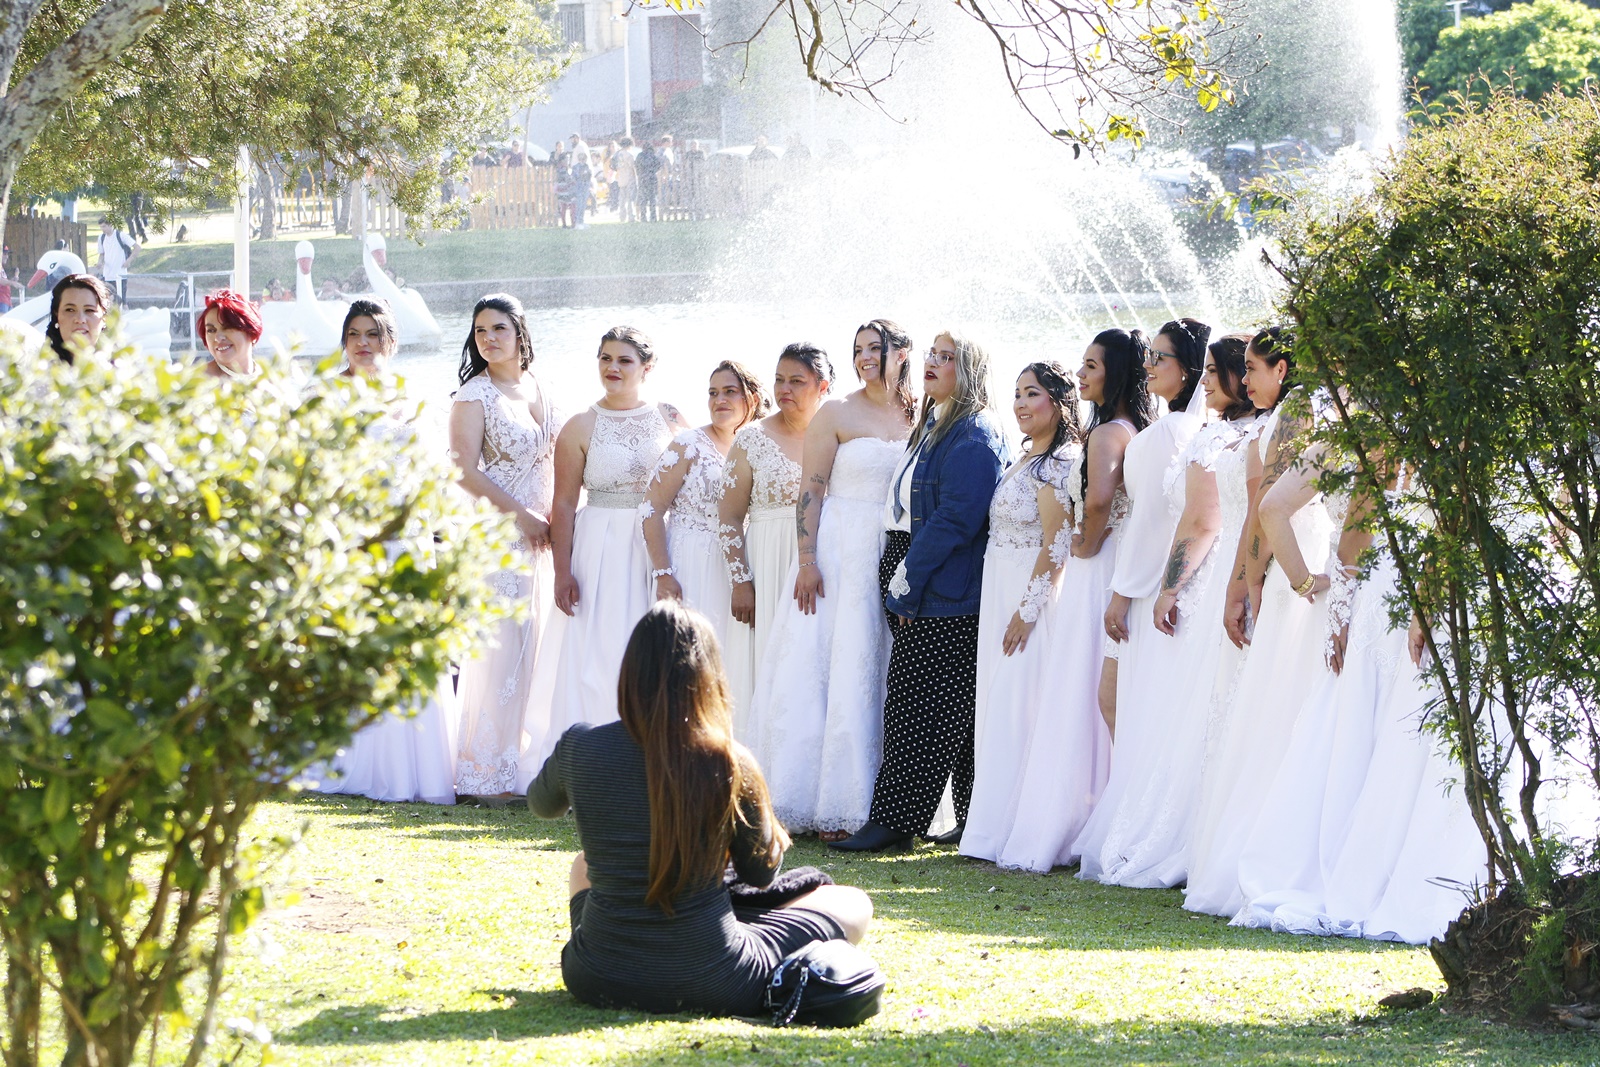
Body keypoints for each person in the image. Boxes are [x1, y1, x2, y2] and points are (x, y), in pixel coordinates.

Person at [527, 602, 872, 1016]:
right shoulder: (729, 760)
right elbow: (761, 874)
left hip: (594, 975)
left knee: (584, 863)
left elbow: (541, 805)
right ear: (708, 679)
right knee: (852, 903)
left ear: (630, 673)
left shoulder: (579, 745)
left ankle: (629, 952)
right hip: (717, 979)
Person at [1075, 329, 1259, 888]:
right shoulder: (1236, 434)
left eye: (1216, 370)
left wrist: (1164, 589)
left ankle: (1180, 828)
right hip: (1238, 572)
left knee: (1177, 709)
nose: (1208, 379)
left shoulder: (1200, 438)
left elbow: (1193, 523)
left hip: (1203, 579)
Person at [834, 330, 1009, 852]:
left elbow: (957, 519)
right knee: (946, 702)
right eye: (931, 355)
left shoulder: (973, 433)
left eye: (947, 357)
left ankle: (893, 823)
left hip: (942, 583)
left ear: (970, 370)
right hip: (921, 572)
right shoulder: (936, 422)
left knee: (916, 704)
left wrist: (907, 582)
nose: (932, 363)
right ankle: (967, 815)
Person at [1185, 327, 1336, 917]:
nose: (1244, 381)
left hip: (1299, 564)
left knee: (1284, 701)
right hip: (1292, 571)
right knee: (1280, 704)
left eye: (1252, 368)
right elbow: (1258, 509)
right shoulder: (1295, 413)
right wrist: (1250, 581)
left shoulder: (1297, 412)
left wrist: (1249, 580)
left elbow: (1265, 508)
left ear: (1283, 367)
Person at [986, 329, 1146, 871]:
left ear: (1116, 373)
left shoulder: (1102, 437)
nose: (1082, 374)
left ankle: (1068, 818)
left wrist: (1084, 541)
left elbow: (1098, 502)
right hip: (1110, 565)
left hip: (1096, 566)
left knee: (1078, 686)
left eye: (1092, 366)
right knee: (1093, 687)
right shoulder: (1127, 430)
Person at [749, 321, 914, 838]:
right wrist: (806, 559)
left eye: (875, 349)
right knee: (825, 667)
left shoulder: (921, 413)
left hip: (895, 550)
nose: (865, 358)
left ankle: (885, 800)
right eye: (859, 349)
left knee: (879, 668)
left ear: (902, 354)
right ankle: (820, 799)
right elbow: (811, 490)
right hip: (840, 551)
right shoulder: (837, 413)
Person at [523, 327, 690, 782]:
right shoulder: (581, 425)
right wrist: (562, 571)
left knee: (654, 645)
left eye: (624, 361)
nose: (612, 368)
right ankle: (593, 760)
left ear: (647, 368)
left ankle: (653, 756)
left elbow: (700, 472)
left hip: (658, 543)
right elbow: (562, 504)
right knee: (598, 648)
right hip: (600, 545)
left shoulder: (670, 416)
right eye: (605, 358)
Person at [314, 300, 459, 804]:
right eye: (354, 334)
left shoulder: (414, 398)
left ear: (391, 342)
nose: (363, 343)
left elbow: (436, 475)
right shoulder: (326, 397)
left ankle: (414, 769)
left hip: (410, 538)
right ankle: (354, 761)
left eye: (373, 334)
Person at [959, 362, 1080, 864]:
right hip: (1000, 587)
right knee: (1000, 703)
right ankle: (992, 826)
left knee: (1020, 703)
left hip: (1028, 599)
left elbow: (1057, 543)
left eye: (1032, 394)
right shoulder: (1026, 457)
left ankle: (1022, 825)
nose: (1021, 404)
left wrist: (1028, 610)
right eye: (1016, 395)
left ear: (1058, 401)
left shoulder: (1058, 463)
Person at [448, 294, 563, 797]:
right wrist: (523, 517)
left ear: (521, 332)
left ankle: (526, 761)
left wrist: (560, 519)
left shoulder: (542, 385)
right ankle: (484, 769)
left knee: (539, 646)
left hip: (546, 535)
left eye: (498, 328)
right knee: (500, 650)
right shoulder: (474, 396)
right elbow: (463, 471)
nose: (489, 339)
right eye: (480, 331)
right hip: (500, 536)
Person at [718, 343, 832, 733]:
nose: (784, 388)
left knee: (809, 664)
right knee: (767, 658)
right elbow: (729, 517)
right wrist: (741, 581)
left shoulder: (836, 436)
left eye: (797, 381)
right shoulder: (751, 439)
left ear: (823, 386)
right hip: (767, 565)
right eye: (780, 380)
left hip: (820, 564)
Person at [640, 362, 768, 646]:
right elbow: (650, 511)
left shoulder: (758, 446)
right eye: (713, 392)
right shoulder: (688, 445)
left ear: (752, 399)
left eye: (729, 392)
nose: (719, 400)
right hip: (690, 563)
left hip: (739, 566)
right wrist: (663, 574)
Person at [45, 274, 112, 365]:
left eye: (89, 310)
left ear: (104, 317)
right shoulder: (37, 371)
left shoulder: (124, 371)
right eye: (70, 310)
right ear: (57, 315)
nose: (80, 319)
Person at [196, 289, 263, 380]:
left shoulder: (272, 382)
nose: (218, 338)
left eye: (228, 328)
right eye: (211, 330)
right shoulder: (196, 382)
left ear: (251, 331)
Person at [96, 219, 139, 305]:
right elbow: (102, 254)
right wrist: (99, 262)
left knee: (122, 300)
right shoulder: (101, 237)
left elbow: (137, 247)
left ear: (110, 225)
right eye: (101, 227)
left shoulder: (121, 235)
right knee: (108, 299)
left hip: (120, 273)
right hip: (107, 274)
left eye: (104, 226)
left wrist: (128, 261)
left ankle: (123, 314)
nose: (102, 229)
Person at [614, 137, 639, 223]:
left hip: (621, 178)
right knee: (630, 199)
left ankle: (622, 216)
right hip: (629, 178)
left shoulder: (618, 154)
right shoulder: (629, 154)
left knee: (622, 199)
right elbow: (632, 167)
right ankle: (631, 216)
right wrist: (636, 178)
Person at [635, 142, 661, 223]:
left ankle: (643, 217)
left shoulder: (640, 156)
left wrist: (641, 174)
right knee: (652, 199)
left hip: (643, 179)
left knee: (643, 199)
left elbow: (636, 166)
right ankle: (653, 217)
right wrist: (652, 171)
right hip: (652, 179)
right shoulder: (653, 156)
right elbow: (658, 166)